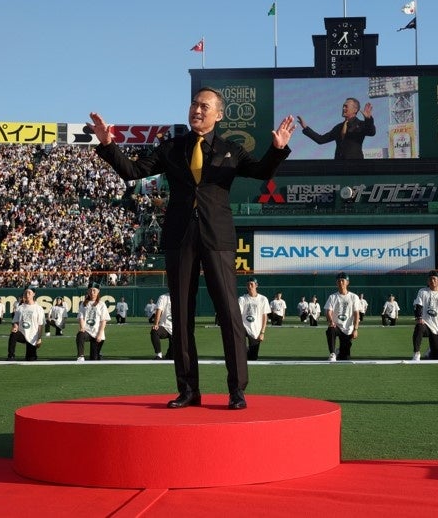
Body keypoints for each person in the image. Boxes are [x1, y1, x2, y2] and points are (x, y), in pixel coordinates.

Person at [90, 88, 295, 410]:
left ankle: (237, 390)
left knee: (229, 312)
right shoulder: (172, 147)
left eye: (204, 106)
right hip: (180, 236)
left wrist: (277, 149)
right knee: (181, 314)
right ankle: (188, 390)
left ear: (219, 114)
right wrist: (107, 144)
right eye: (194, 105)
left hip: (218, 237)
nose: (197, 110)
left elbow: (261, 172)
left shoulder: (231, 150)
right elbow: (132, 171)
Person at [297, 97, 375, 160]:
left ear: (355, 110)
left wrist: (368, 119)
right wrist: (306, 128)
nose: (343, 108)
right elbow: (321, 139)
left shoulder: (360, 124)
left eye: (346, 106)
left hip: (355, 167)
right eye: (343, 106)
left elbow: (371, 132)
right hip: (338, 167)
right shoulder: (338, 127)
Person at [410, 270, 438, 361]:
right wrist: (419, 318)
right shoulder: (423, 291)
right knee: (419, 326)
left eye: (434, 279)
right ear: (427, 281)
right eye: (430, 279)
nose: (432, 281)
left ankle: (430, 350)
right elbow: (418, 306)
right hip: (426, 324)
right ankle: (416, 353)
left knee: (436, 357)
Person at [325, 272, 360, 361]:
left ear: (347, 282)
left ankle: (339, 351)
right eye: (338, 281)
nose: (341, 283)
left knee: (345, 357)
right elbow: (328, 311)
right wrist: (331, 321)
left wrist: (355, 329)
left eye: (343, 281)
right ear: (336, 283)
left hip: (348, 330)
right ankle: (332, 353)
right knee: (330, 329)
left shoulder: (354, 297)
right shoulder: (332, 297)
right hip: (337, 326)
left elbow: (356, 314)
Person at [7, 288, 45, 361]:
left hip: (33, 336)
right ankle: (11, 356)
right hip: (22, 333)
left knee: (30, 358)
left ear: (34, 294)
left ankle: (32, 354)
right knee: (13, 334)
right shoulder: (20, 308)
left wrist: (39, 339)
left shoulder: (38, 308)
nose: (27, 295)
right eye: (25, 293)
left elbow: (40, 325)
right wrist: (15, 327)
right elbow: (16, 321)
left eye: (29, 293)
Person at [76, 283, 110, 361]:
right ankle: (80, 356)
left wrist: (100, 334)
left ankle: (98, 355)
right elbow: (81, 317)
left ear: (98, 292)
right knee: (80, 335)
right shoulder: (83, 304)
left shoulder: (101, 304)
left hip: (97, 333)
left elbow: (103, 320)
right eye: (90, 290)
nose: (92, 292)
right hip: (87, 331)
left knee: (94, 359)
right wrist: (82, 328)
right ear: (88, 292)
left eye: (94, 291)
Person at [238, 278, 270, 360]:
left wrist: (262, 332)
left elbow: (264, 316)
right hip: (243, 327)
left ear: (256, 285)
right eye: (248, 284)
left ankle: (248, 352)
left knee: (253, 358)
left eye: (251, 284)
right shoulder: (242, 299)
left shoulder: (263, 299)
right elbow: (238, 314)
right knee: (241, 354)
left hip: (256, 329)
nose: (249, 286)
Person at [150, 291, 174, 360]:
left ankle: (169, 354)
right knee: (155, 331)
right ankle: (159, 354)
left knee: (172, 357)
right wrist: (156, 324)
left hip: (176, 330)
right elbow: (159, 310)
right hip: (165, 327)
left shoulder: (181, 298)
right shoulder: (163, 297)